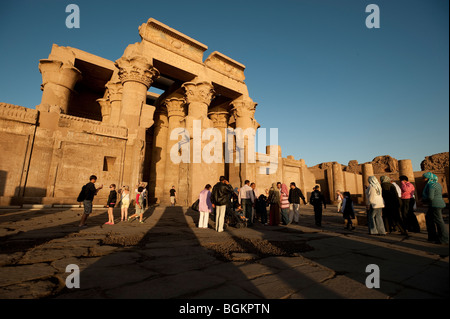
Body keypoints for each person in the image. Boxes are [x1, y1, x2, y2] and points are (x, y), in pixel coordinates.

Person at [422, 172, 449, 245]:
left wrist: (424, 200)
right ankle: (433, 237)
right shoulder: (438, 184)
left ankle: (444, 239)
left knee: (439, 221)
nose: (423, 180)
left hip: (435, 205)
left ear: (428, 178)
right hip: (439, 204)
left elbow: (431, 197)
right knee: (429, 219)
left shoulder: (430, 185)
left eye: (424, 178)